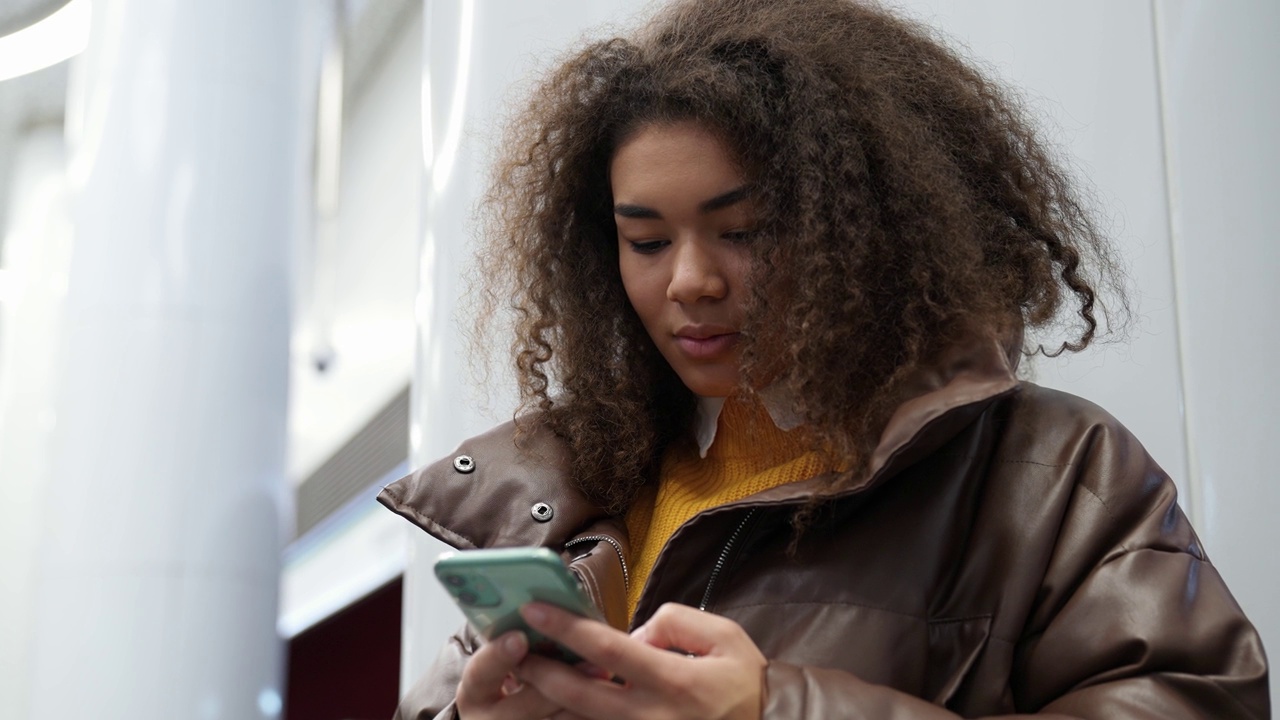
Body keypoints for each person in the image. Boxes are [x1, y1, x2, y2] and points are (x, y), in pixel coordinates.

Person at [378, 0, 1270, 717]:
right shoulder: (576, 483)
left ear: (863, 226)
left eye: (745, 231)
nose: (690, 281)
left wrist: (777, 708)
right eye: (645, 242)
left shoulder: (1051, 472)